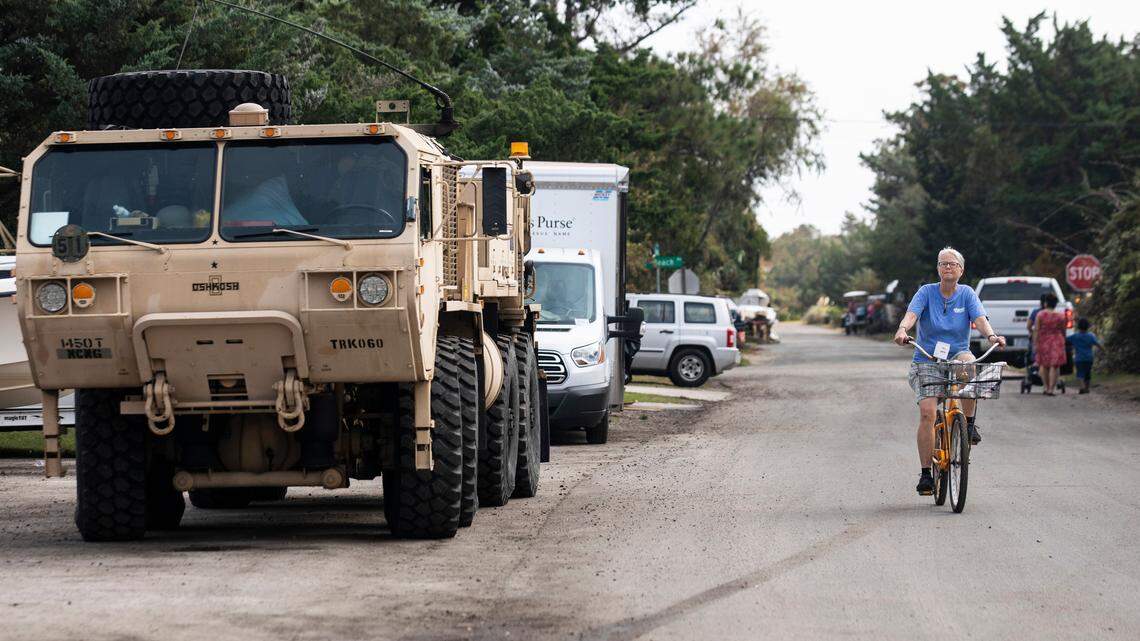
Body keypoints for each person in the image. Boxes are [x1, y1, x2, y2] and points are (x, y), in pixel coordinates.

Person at [894, 247, 1006, 496]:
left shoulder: (967, 294)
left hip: (957, 353)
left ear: (961, 270)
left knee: (969, 364)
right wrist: (903, 329)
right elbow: (911, 315)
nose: (947, 267)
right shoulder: (926, 292)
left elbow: (979, 319)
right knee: (927, 413)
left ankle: (968, 425)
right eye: (942, 263)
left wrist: (991, 335)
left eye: (952, 264)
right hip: (927, 357)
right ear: (937, 268)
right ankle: (925, 475)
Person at [1033, 293, 1067, 396]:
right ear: (1055, 304)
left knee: (1044, 364)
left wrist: (1035, 343)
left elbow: (1037, 330)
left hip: (1043, 341)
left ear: (1045, 303)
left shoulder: (1040, 315)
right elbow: (1063, 330)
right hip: (1057, 340)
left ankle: (1045, 387)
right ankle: (1051, 389)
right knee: (1054, 365)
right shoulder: (1060, 316)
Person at [1066, 318, 1103, 394]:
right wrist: (1104, 351)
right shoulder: (1091, 336)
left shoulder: (1075, 336)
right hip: (1089, 358)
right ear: (1088, 326)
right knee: (1087, 373)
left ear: (1078, 326)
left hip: (1079, 359)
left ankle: (1082, 387)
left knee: (1080, 373)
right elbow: (1098, 344)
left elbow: (1065, 340)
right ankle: (1087, 388)